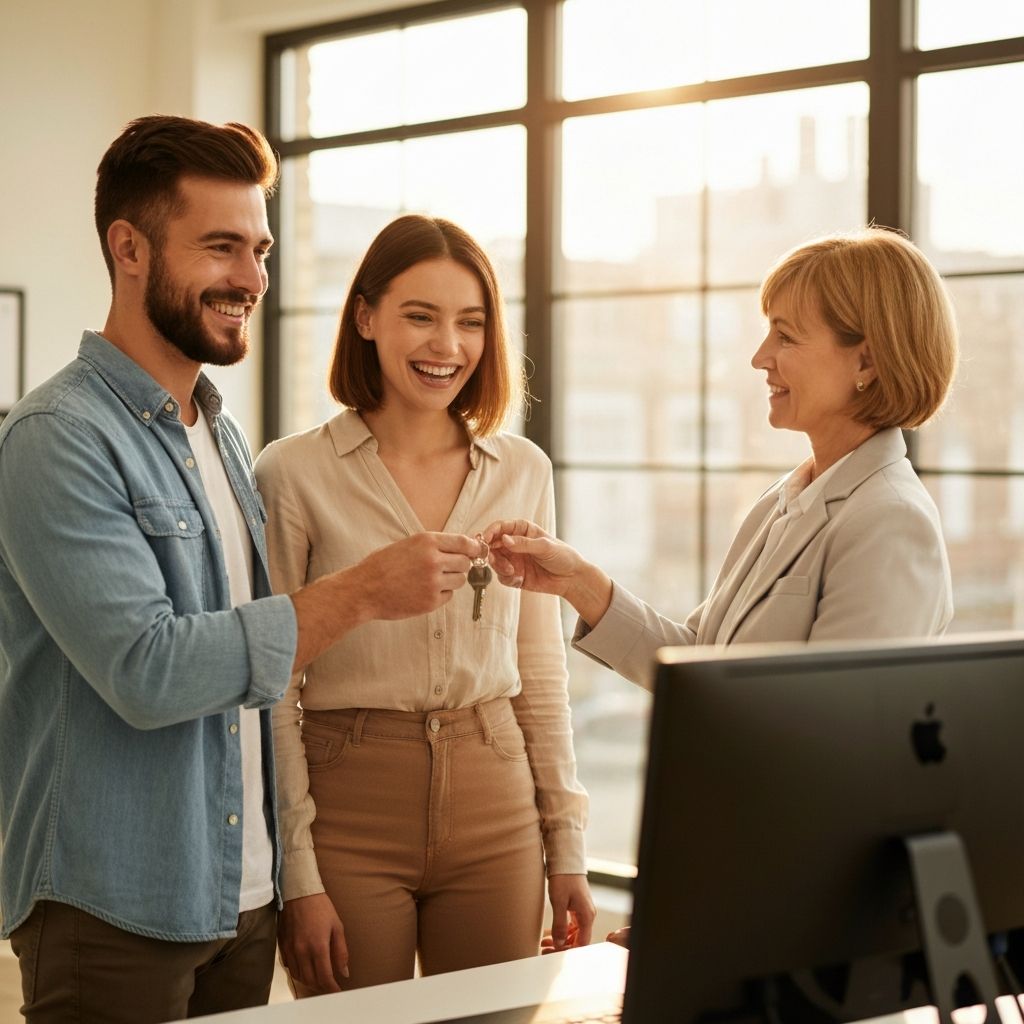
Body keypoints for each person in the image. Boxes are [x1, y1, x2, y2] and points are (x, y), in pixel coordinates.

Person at [0, 116, 482, 1024]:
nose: (252, 280)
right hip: (114, 908)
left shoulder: (218, 433)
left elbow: (253, 692)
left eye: (259, 250)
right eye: (222, 248)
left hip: (239, 894)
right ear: (129, 248)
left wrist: (286, 879)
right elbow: (150, 671)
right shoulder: (55, 439)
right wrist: (363, 592)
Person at [254, 214, 595, 997]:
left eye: (470, 323)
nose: (447, 346)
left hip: (495, 795)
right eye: (421, 316)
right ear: (366, 317)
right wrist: (297, 873)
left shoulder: (523, 469)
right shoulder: (293, 473)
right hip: (349, 801)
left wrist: (566, 846)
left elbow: (540, 671)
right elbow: (272, 678)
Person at [485, 227, 958, 691]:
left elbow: (836, 733)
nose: (759, 357)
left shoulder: (890, 521)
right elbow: (702, 662)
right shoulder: (787, 497)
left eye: (786, 337)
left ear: (866, 363)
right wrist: (579, 583)